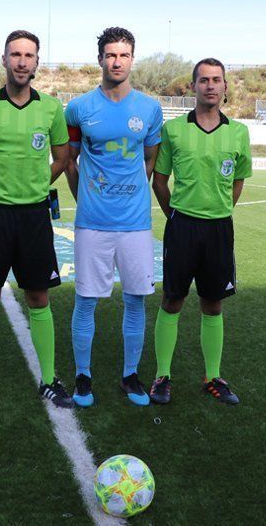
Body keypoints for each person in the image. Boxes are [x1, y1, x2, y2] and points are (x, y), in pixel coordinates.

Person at [0, 30, 72, 408]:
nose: (22, 61)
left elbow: (62, 156)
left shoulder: (51, 109)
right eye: (15, 54)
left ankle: (50, 380)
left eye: (29, 55)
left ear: (38, 62)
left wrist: (36, 185)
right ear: (4, 60)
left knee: (38, 296)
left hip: (35, 215)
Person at [64, 27, 163, 407]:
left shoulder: (149, 109)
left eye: (123, 55)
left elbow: (150, 159)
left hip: (135, 224)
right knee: (86, 301)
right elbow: (69, 159)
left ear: (132, 59)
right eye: (110, 54)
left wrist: (134, 194)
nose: (116, 61)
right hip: (92, 222)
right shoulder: (79, 108)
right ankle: (83, 377)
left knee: (136, 300)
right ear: (100, 59)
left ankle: (130, 376)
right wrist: (85, 196)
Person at [150, 58, 251, 406]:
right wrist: (175, 216)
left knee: (213, 303)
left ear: (225, 87)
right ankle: (162, 376)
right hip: (183, 227)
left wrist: (220, 211)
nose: (210, 85)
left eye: (216, 80)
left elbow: (237, 182)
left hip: (219, 229)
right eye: (203, 80)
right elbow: (159, 181)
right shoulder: (174, 130)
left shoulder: (239, 132)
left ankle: (213, 377)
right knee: (172, 300)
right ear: (193, 87)